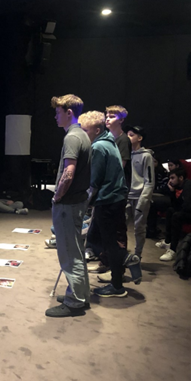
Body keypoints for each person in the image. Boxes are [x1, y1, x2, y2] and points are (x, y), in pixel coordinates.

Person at [79, 111, 136, 298]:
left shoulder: (97, 148)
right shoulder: (110, 143)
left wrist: (83, 204)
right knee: (100, 240)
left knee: (104, 243)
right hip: (116, 198)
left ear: (96, 130)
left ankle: (119, 281)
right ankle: (120, 267)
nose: (82, 134)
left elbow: (94, 182)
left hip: (107, 200)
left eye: (85, 130)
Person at [44, 94, 92, 318]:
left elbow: (68, 173)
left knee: (69, 253)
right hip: (78, 201)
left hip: (69, 203)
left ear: (69, 112)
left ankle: (75, 301)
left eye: (58, 112)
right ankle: (80, 293)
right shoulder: (82, 135)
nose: (55, 116)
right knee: (76, 251)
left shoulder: (72, 137)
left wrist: (57, 197)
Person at [126, 125, 155, 259]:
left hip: (139, 197)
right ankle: (121, 254)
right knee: (119, 226)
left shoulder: (146, 156)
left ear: (140, 138)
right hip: (126, 196)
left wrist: (143, 201)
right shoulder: (125, 154)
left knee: (139, 228)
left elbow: (149, 181)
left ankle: (137, 255)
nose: (128, 136)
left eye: (131, 135)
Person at [158, 167, 191, 262]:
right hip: (187, 212)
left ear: (181, 178)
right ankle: (168, 242)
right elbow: (175, 205)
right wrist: (172, 192)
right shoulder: (179, 187)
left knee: (176, 216)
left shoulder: (188, 186)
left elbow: (188, 206)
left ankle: (173, 250)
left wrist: (179, 209)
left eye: (172, 178)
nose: (170, 181)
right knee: (170, 210)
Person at [105, 105, 132, 189]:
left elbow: (120, 166)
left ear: (121, 120)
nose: (107, 119)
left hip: (117, 186)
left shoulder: (124, 140)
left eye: (112, 117)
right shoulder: (105, 138)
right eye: (107, 116)